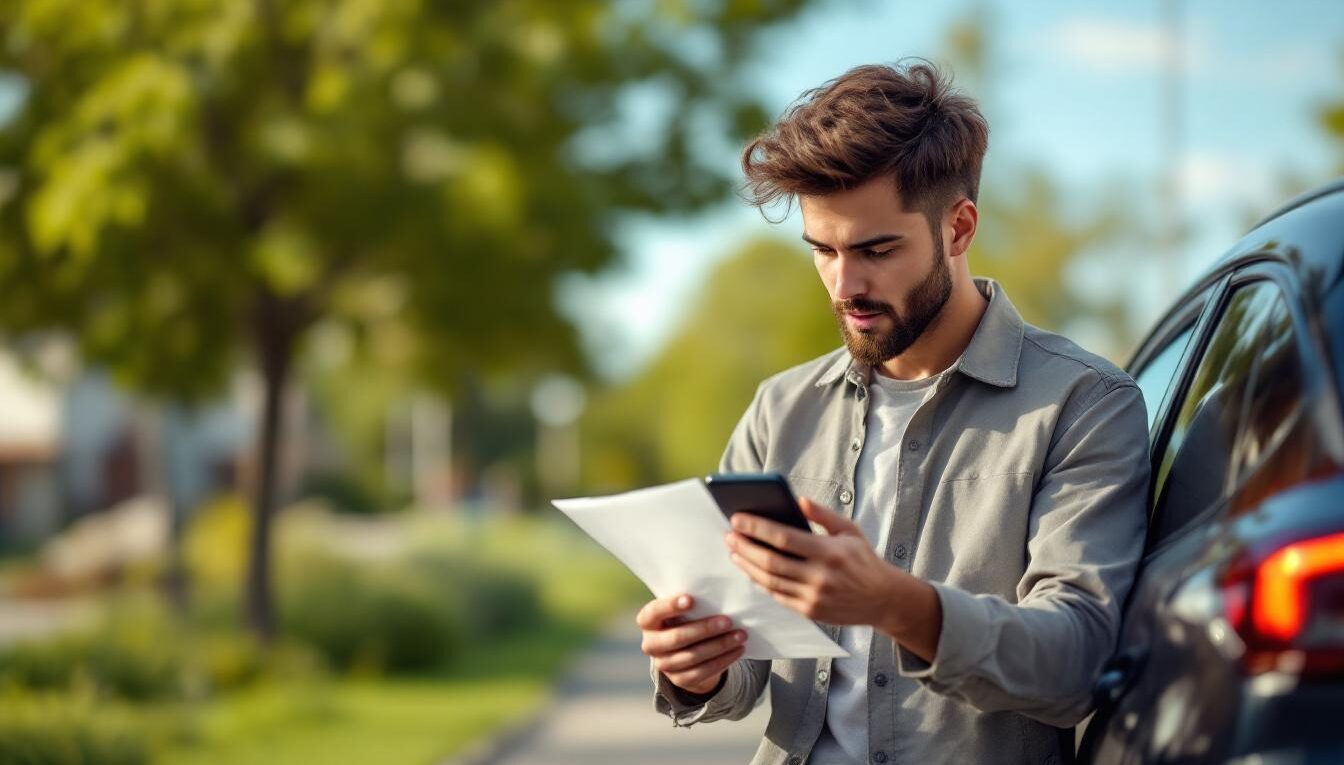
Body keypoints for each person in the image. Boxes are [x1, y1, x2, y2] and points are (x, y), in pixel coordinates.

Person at [637, 60, 1151, 765]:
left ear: (959, 227)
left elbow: (1076, 663)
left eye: (877, 250)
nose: (845, 284)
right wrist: (697, 666)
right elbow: (746, 664)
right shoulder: (780, 409)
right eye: (823, 250)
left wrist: (895, 604)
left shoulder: (1084, 403)